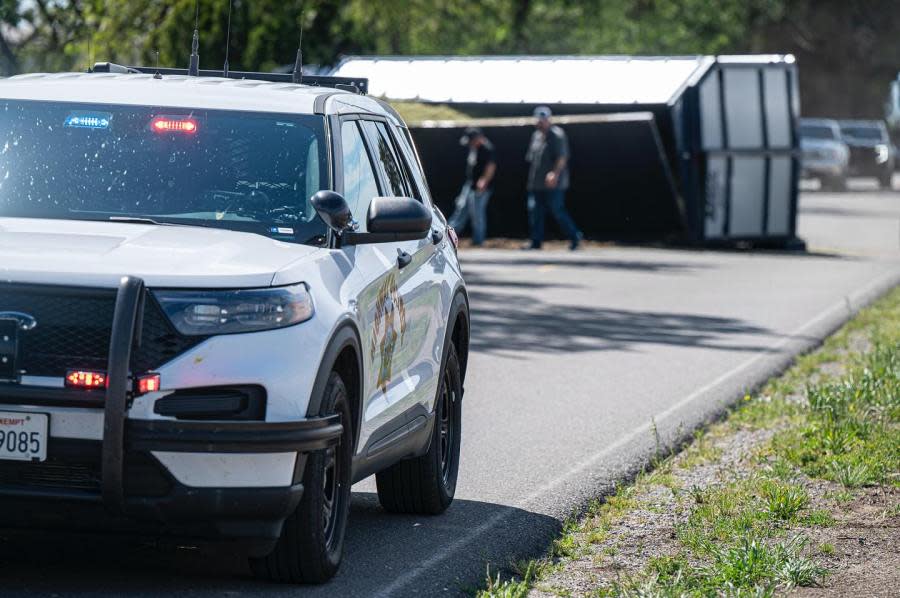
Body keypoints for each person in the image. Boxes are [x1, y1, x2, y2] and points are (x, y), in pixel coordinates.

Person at [525, 106, 583, 250]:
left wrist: (554, 174)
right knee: (535, 210)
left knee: (557, 209)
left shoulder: (557, 135)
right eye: (539, 120)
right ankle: (536, 241)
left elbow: (562, 157)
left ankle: (575, 236)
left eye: (543, 120)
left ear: (548, 120)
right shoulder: (536, 136)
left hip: (554, 183)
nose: (541, 122)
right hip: (536, 183)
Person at [447, 126, 496, 246]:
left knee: (477, 213)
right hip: (470, 184)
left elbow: (491, 167)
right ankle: (447, 236)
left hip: (480, 187)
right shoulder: (474, 148)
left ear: (477, 138)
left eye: (471, 140)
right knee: (461, 209)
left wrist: (483, 180)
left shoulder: (487, 149)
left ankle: (479, 241)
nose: (470, 143)